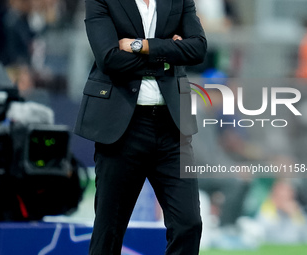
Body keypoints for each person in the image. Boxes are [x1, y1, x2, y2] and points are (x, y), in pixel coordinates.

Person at [74, 0, 207, 254]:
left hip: (172, 129)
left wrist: (141, 46)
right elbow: (109, 58)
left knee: (189, 224)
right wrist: (169, 55)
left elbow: (198, 49)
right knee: (108, 232)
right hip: (121, 130)